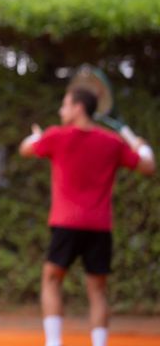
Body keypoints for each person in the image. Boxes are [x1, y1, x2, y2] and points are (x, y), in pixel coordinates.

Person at [18, 87, 154, 346]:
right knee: (98, 290)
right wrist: (139, 143)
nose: (61, 111)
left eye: (65, 105)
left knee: (50, 280)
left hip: (65, 225)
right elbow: (148, 166)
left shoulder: (56, 137)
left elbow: (25, 148)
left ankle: (54, 343)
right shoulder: (113, 142)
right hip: (100, 227)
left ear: (78, 108)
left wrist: (37, 136)